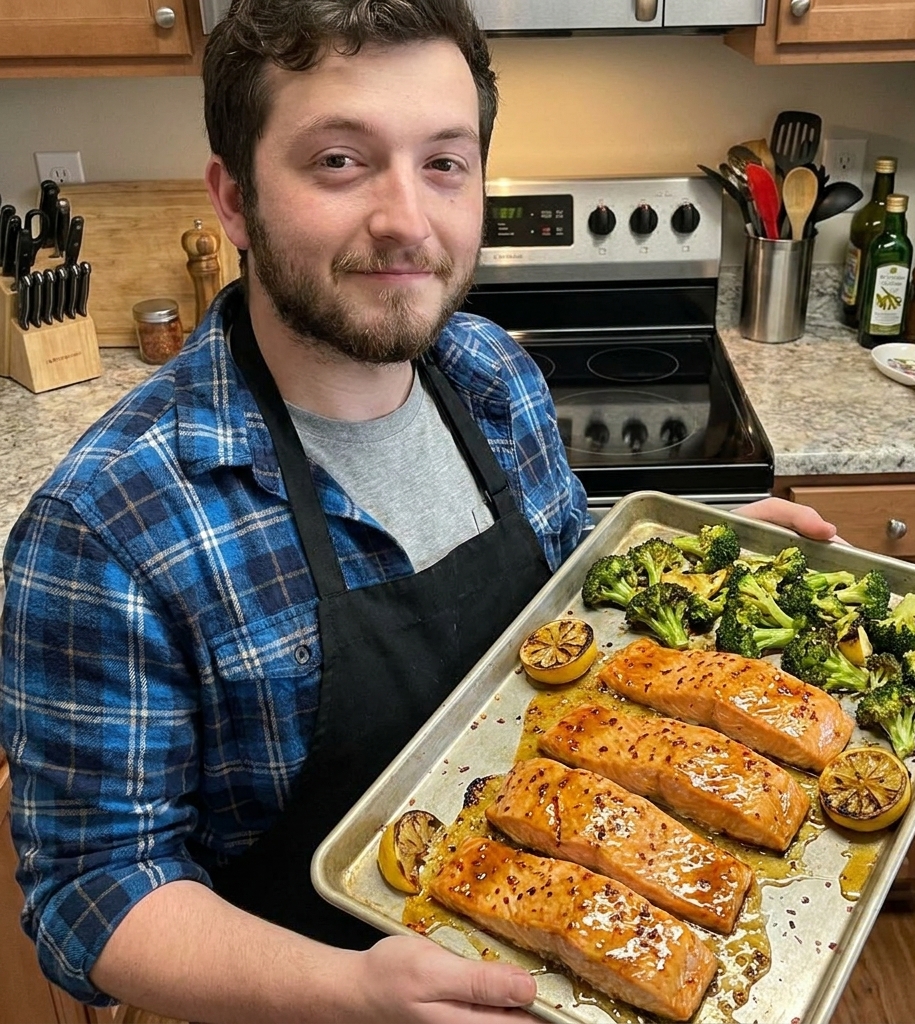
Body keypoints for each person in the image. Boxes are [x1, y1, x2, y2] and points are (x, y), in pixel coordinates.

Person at [0, 2, 836, 1021]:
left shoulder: (493, 375)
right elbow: (91, 893)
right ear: (233, 197)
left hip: (567, 959)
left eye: (444, 162)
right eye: (341, 162)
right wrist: (349, 990)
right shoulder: (108, 524)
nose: (406, 219)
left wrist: (690, 564)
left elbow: (568, 614)